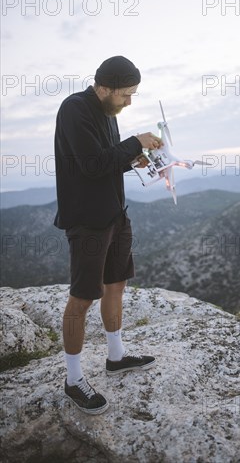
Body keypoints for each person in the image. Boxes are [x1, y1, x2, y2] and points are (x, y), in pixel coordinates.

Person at [54, 55, 163, 415]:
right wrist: (134, 142)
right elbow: (91, 164)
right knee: (83, 297)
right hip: (88, 221)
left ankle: (115, 356)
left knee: (116, 284)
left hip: (116, 215)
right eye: (126, 94)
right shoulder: (74, 109)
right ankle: (73, 379)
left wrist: (133, 159)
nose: (130, 101)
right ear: (104, 88)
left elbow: (106, 161)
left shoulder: (107, 113)